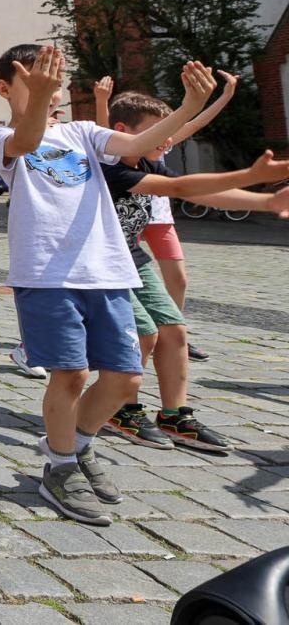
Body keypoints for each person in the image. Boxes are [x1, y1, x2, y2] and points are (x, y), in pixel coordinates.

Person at [0, 44, 215, 525]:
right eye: (37, 77)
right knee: (70, 375)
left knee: (126, 378)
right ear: (6, 88)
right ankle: (60, 468)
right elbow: (24, 145)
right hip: (46, 276)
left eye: (56, 77)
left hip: (108, 271)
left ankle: (77, 443)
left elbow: (133, 147)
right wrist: (39, 101)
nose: (50, 85)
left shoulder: (83, 132)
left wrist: (191, 108)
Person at [97, 91, 289, 454]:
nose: (169, 138)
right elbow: (182, 188)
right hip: (103, 265)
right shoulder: (112, 168)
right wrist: (257, 184)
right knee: (145, 334)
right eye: (160, 130)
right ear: (123, 130)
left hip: (133, 259)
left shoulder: (148, 161)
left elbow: (197, 193)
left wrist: (269, 202)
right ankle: (122, 409)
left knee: (175, 329)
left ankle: (174, 415)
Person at [95, 71, 236, 363]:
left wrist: (222, 97)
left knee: (177, 283)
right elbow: (105, 135)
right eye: (159, 129)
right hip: (108, 245)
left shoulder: (157, 152)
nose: (166, 138)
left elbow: (194, 127)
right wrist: (100, 101)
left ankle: (170, 332)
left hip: (153, 220)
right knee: (132, 325)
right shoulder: (117, 162)